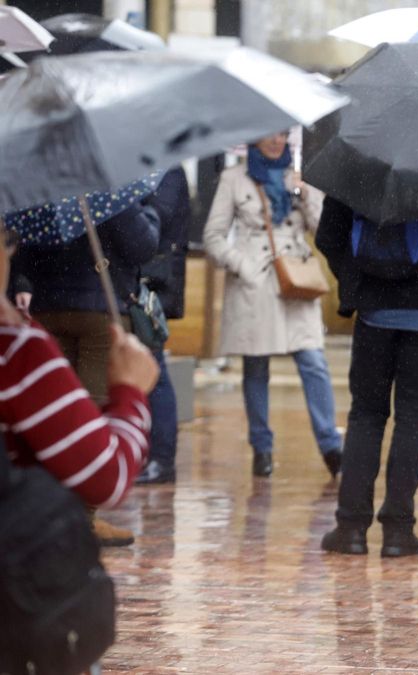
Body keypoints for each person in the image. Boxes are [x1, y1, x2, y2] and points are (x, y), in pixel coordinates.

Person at [315, 196, 418, 557]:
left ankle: (351, 528)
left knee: (366, 416)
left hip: (375, 310)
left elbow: (327, 235)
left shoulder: (362, 161)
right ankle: (398, 530)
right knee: (414, 419)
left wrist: (357, 275)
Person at [12, 194, 160, 547]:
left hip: (48, 306)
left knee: (52, 419)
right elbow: (142, 245)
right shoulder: (109, 189)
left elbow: (26, 251)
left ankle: (53, 514)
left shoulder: (44, 189)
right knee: (94, 409)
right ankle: (82, 521)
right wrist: (133, 209)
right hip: (98, 311)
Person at [203, 132, 343, 478]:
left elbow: (323, 229)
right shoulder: (234, 179)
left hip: (295, 278)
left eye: (283, 134)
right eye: (270, 134)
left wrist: (305, 192)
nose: (277, 141)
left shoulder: (299, 177)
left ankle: (330, 445)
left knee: (313, 361)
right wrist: (243, 265)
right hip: (257, 283)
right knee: (256, 366)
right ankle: (261, 448)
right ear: (254, 139)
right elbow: (213, 237)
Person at [137, 166, 192, 484]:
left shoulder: (166, 170)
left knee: (154, 369)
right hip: (140, 280)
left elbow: (156, 220)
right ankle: (151, 455)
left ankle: (162, 459)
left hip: (152, 284)